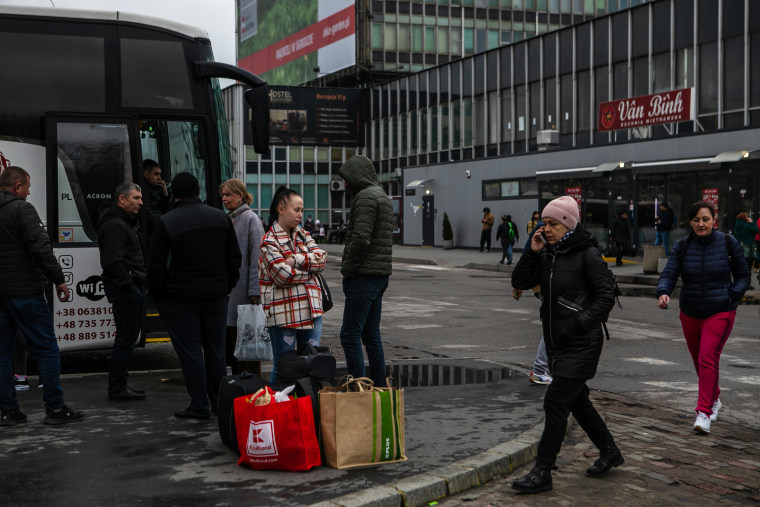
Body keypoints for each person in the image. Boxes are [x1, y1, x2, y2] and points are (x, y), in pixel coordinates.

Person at [511, 195, 619, 493]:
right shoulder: (547, 253)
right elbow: (519, 281)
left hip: (582, 343)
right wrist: (533, 252)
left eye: (553, 224)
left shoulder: (588, 255)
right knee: (577, 401)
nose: (546, 229)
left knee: (555, 403)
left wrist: (578, 322)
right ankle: (609, 450)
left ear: (568, 224)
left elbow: (605, 299)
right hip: (557, 343)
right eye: (543, 224)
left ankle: (542, 471)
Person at [147, 172, 242, 419]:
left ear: (175, 194)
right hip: (216, 296)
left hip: (180, 298)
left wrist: (160, 295)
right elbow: (234, 258)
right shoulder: (220, 217)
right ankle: (220, 403)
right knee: (216, 351)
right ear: (197, 191)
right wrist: (228, 285)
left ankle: (199, 404)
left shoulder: (167, 222)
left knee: (190, 352)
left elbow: (155, 265)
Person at [0, 165, 84, 426]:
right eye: (26, 187)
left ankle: (8, 411)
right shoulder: (22, 209)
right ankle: (55, 409)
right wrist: (59, 279)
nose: (28, 193)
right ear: (17, 187)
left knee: (2, 354)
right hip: (25, 292)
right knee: (47, 350)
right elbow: (40, 248)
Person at [657, 201, 750, 434]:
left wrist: (731, 295)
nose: (701, 224)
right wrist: (664, 292)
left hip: (720, 310)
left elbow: (743, 276)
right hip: (690, 311)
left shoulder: (728, 242)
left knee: (708, 357)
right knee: (700, 361)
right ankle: (714, 398)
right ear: (690, 222)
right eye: (696, 220)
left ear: (714, 220)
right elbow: (669, 273)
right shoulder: (683, 246)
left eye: (705, 219)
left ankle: (704, 413)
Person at [259, 186, 326, 386]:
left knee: (312, 364)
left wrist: (295, 260)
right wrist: (309, 271)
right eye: (296, 210)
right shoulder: (268, 241)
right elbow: (281, 276)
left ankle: (304, 408)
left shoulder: (303, 234)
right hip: (284, 313)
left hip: (312, 311)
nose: (300, 215)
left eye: (301, 210)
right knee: (284, 367)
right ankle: (277, 409)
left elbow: (321, 261)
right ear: (281, 209)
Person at [338, 156, 394, 388]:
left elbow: (361, 239)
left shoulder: (365, 197)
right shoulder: (382, 196)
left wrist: (347, 269)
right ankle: (379, 386)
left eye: (348, 179)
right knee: (371, 335)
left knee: (349, 335)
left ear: (357, 176)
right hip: (380, 276)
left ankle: (358, 390)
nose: (346, 184)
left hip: (363, 277)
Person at [98, 182, 147, 401]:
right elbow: (112, 263)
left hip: (130, 287)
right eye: (136, 198)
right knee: (125, 340)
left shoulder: (123, 222)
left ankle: (120, 384)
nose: (140, 202)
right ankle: (117, 387)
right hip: (125, 289)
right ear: (122, 199)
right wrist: (130, 288)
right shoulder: (116, 225)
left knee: (127, 339)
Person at [220, 178, 265, 376]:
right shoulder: (232, 218)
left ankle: (251, 384)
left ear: (240, 195)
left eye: (228, 194)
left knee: (248, 343)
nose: (224, 198)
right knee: (236, 342)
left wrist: (255, 290)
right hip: (234, 292)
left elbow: (258, 257)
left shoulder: (250, 219)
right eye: (223, 194)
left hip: (245, 292)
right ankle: (241, 383)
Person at [141, 159, 169, 244]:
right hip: (151, 233)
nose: (159, 178)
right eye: (156, 174)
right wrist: (161, 227)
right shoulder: (144, 189)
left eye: (160, 174)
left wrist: (165, 194)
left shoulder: (155, 189)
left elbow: (162, 209)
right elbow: (146, 211)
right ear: (146, 174)